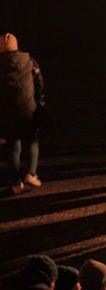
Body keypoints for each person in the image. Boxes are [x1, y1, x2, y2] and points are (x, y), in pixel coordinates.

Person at [1, 33, 45, 195]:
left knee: (13, 146)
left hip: (7, 112)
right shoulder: (29, 61)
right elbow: (39, 81)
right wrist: (39, 100)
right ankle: (31, 173)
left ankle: (15, 183)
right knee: (32, 139)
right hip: (28, 108)